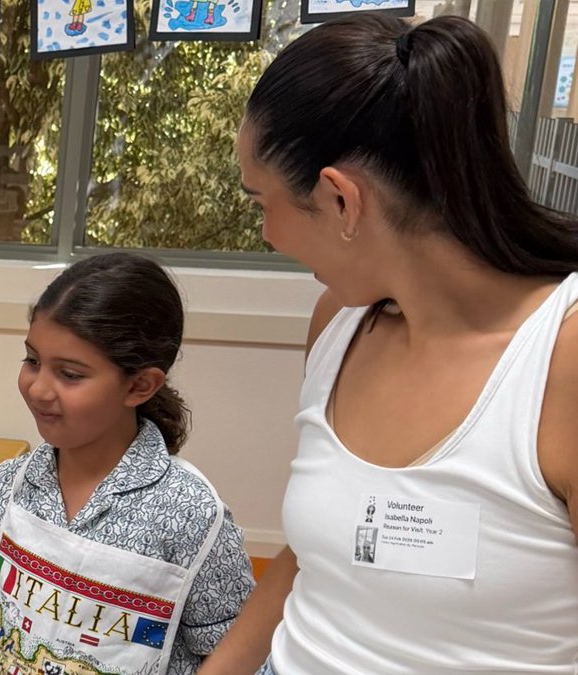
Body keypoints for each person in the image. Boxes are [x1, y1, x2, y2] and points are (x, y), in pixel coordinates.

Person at [199, 13, 578, 674]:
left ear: (342, 201)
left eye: (263, 203)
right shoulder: (339, 325)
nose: (266, 234)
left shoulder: (560, 362)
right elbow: (317, 556)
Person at [0, 252, 255, 674]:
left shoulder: (193, 519)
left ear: (140, 385)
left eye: (70, 374)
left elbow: (234, 656)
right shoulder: (2, 489)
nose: (38, 389)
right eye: (32, 361)